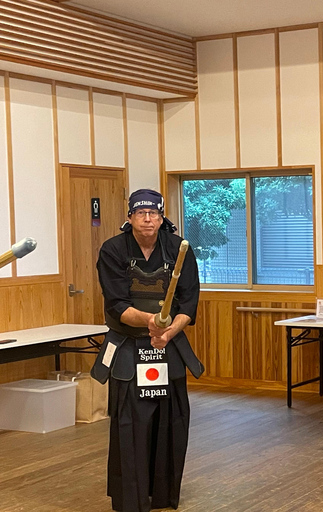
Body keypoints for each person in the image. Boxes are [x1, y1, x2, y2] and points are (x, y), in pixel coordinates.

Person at [91, 189, 205, 512]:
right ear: (129, 218)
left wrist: (169, 329)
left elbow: (189, 300)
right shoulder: (113, 250)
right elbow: (117, 303)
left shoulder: (178, 248)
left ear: (162, 216)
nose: (147, 219)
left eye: (154, 213)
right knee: (131, 423)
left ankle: (165, 493)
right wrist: (151, 322)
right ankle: (132, 497)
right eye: (140, 213)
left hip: (167, 342)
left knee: (173, 418)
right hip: (129, 343)